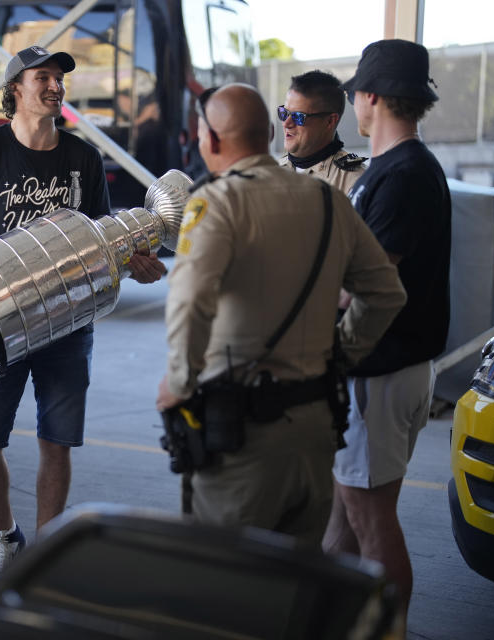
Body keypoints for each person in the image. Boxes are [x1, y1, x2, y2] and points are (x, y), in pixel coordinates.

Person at [0, 45, 167, 585]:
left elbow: (101, 245)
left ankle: (44, 555)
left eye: (59, 78)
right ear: (15, 88)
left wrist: (135, 265)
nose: (55, 86)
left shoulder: (84, 158)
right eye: (43, 77)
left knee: (56, 439)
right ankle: (5, 536)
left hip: (67, 322)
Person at [155, 84, 406, 548]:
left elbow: (189, 302)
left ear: (210, 140)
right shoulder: (328, 200)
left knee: (225, 582)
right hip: (316, 430)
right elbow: (386, 294)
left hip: (242, 436)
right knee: (294, 585)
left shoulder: (215, 203)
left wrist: (179, 382)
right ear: (272, 131)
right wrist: (342, 355)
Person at [324, 39, 452, 623]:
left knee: (371, 521)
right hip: (385, 372)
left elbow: (365, 284)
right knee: (345, 522)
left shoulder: (402, 175)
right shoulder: (393, 170)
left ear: (369, 96)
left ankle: (390, 630)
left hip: (380, 372)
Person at [278, 70, 366, 194]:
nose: (286, 123)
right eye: (284, 113)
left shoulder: (355, 183)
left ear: (330, 121)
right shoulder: (272, 171)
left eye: (298, 116)